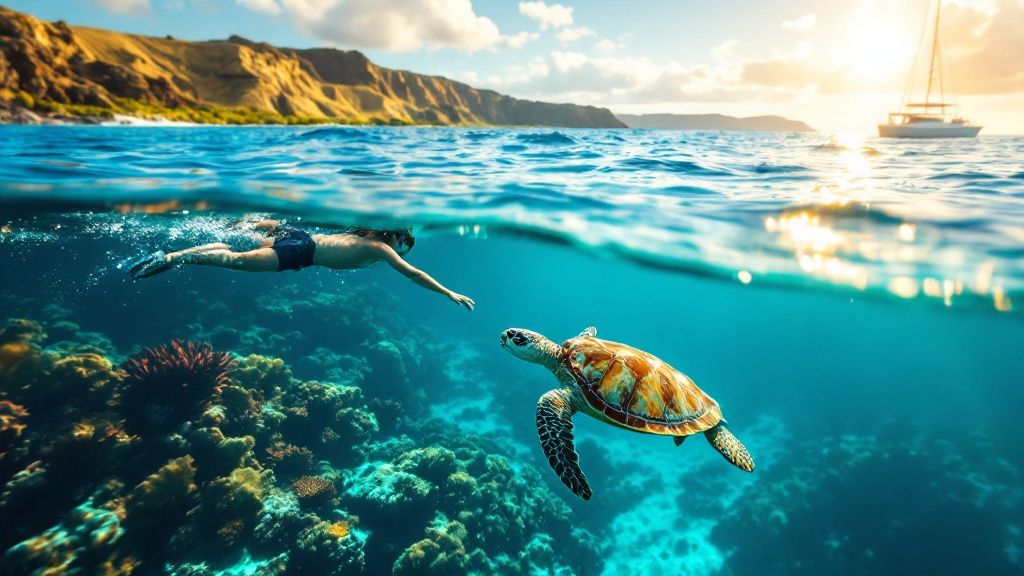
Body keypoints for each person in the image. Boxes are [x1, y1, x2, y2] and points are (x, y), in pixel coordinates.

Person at [129, 219, 476, 310]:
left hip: (299, 235)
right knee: (234, 261)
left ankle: (206, 244)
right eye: (407, 241)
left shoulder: (365, 241)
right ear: (397, 236)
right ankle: (172, 258)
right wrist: (448, 293)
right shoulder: (379, 247)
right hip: (302, 252)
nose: (406, 248)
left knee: (231, 248)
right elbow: (412, 274)